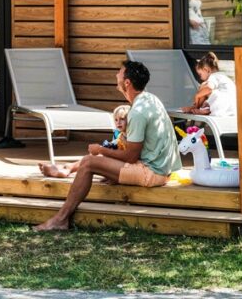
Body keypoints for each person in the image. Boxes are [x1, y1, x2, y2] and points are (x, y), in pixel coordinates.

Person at [33, 60, 181, 231]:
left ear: (127, 82)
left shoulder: (138, 112)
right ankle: (67, 168)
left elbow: (130, 157)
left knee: (90, 162)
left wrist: (100, 150)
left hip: (152, 173)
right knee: (105, 155)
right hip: (162, 168)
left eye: (120, 73)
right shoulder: (151, 100)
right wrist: (108, 164)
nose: (116, 75)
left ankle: (61, 219)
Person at [182, 51, 236, 117]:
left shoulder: (214, 76)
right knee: (205, 91)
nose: (201, 78)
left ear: (207, 70)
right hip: (232, 107)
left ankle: (197, 107)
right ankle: (201, 108)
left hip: (221, 105)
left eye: (200, 74)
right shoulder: (223, 77)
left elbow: (209, 88)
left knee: (204, 87)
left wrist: (197, 96)